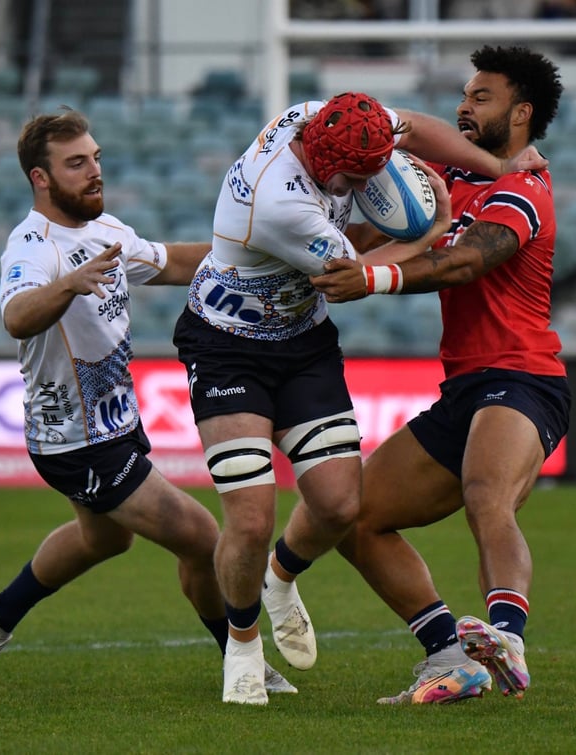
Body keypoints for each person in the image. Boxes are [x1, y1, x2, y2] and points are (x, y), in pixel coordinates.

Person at [173, 91, 546, 705]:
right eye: (358, 177)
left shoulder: (330, 114)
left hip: (304, 344)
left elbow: (418, 128)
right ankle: (242, 647)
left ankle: (278, 582)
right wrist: (433, 229)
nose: (367, 182)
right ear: (327, 164)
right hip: (227, 344)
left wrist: (501, 170)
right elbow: (354, 276)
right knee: (251, 516)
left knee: (342, 506)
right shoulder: (280, 204)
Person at [0, 107, 295, 696]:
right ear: (41, 178)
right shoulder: (32, 247)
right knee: (200, 537)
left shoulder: (104, 229)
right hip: (74, 439)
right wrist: (65, 285)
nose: (94, 171)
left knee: (105, 539)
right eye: (76, 163)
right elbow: (16, 316)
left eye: (96, 158)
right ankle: (240, 660)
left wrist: (258, 253)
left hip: (115, 424)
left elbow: (175, 263)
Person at [311, 45, 568, 704]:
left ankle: (507, 636)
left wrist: (372, 277)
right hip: (463, 389)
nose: (464, 104)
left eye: (482, 97)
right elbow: (391, 147)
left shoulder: (525, 188)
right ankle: (451, 656)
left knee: (488, 492)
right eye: (465, 93)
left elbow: (465, 263)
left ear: (522, 112)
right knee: (354, 515)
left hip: (524, 377)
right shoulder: (448, 177)